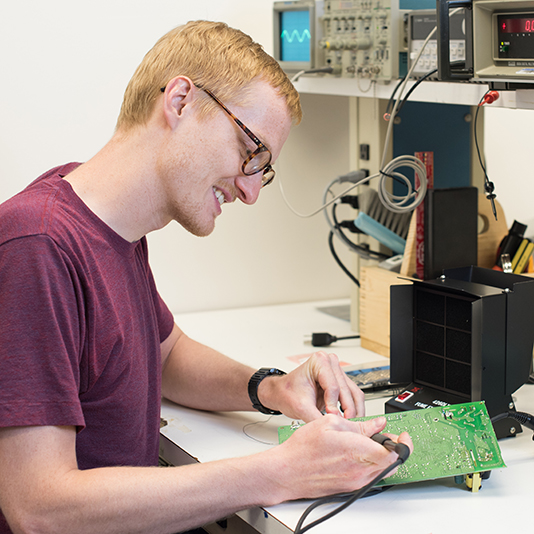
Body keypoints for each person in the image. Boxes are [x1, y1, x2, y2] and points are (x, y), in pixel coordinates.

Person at [0, 20, 412, 534]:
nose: (250, 191)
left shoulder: (109, 230)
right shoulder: (38, 246)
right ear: (179, 101)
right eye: (250, 152)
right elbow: (39, 508)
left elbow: (166, 354)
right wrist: (279, 472)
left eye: (263, 169)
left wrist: (273, 388)